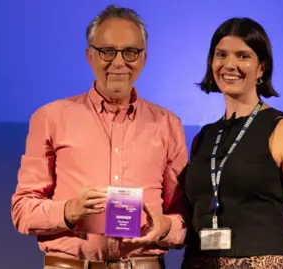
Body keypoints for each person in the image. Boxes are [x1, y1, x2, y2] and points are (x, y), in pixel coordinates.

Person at [11, 5, 188, 269]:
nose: (119, 62)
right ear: (90, 56)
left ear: (143, 59)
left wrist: (166, 227)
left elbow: (184, 215)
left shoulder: (168, 124)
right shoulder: (50, 117)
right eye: (107, 51)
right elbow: (22, 210)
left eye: (130, 52)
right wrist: (69, 211)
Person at [181, 17, 283, 269]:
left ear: (261, 68)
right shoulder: (203, 138)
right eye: (221, 55)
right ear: (211, 62)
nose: (230, 65)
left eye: (243, 56)